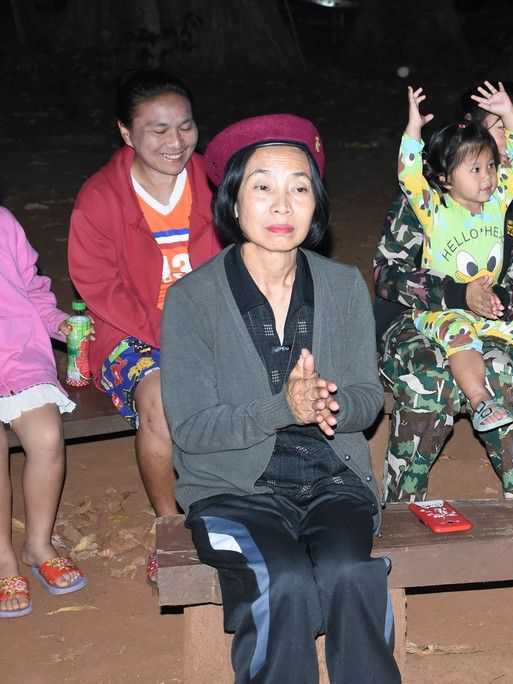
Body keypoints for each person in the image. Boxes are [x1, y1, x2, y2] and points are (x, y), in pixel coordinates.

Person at [161, 114, 399, 683]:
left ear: (316, 203)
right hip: (233, 491)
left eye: (299, 188)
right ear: (233, 200)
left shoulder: (342, 285)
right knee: (283, 580)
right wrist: (283, 409)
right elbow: (191, 429)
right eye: (262, 186)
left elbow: (369, 397)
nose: (282, 205)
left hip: (332, 481)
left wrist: (330, 404)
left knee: (349, 573)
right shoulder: (193, 299)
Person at [67, 70, 220, 583]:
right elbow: (98, 285)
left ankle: (243, 509)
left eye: (185, 126)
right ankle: (170, 526)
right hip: (129, 332)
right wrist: (171, 336)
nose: (176, 141)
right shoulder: (100, 197)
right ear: (126, 133)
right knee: (159, 393)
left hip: (209, 322)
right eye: (158, 129)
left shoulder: (214, 180)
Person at [374, 81, 513, 502]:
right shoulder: (428, 202)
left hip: (488, 320)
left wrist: (493, 302)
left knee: (503, 372)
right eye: (500, 127)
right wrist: (458, 295)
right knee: (428, 380)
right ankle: (402, 507)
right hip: (419, 319)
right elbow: (387, 275)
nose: (507, 142)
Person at [1, 207, 87, 618]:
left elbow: (34, 290)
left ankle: (38, 544)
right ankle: (3, 560)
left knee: (47, 436)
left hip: (18, 357)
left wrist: (57, 323)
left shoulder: (4, 223)